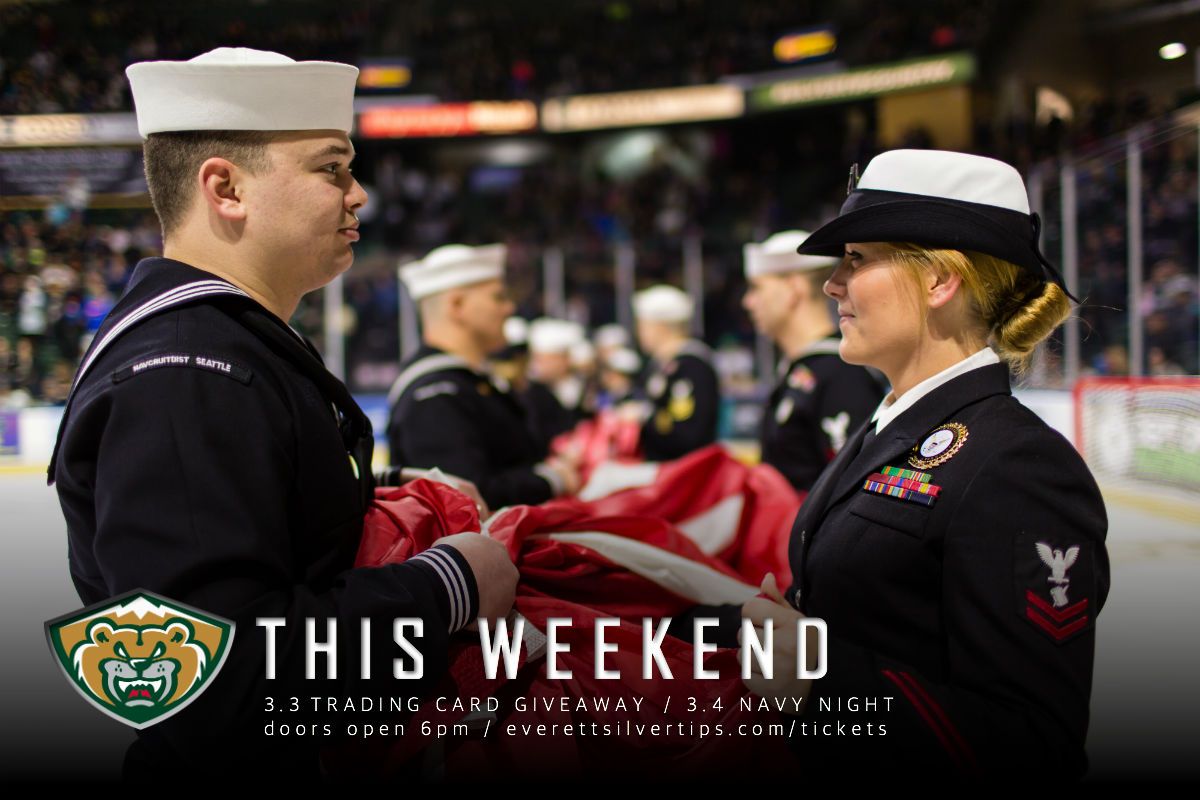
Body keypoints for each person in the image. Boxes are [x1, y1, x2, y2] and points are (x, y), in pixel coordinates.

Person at [47, 48, 518, 779]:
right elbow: (210, 684)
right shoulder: (185, 375)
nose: (357, 194)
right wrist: (444, 588)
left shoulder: (215, 349)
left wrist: (386, 483)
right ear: (226, 188)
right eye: (332, 168)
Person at [736, 150, 1110, 778]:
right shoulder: (894, 427)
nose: (832, 284)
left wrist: (818, 687)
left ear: (939, 281)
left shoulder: (1019, 467)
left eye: (856, 259)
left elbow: (1035, 743)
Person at [387, 244, 580, 508]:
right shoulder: (436, 393)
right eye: (498, 297)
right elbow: (464, 499)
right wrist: (550, 480)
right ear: (457, 305)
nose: (509, 308)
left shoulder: (464, 382)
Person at [743, 230, 885, 490]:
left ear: (794, 288)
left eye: (756, 288)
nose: (748, 302)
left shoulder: (841, 373)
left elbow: (849, 486)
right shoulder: (809, 368)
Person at [632, 284, 720, 461]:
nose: (639, 333)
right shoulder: (662, 365)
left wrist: (643, 417)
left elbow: (687, 433)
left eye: (643, 325)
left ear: (661, 327)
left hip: (684, 471)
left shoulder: (692, 367)